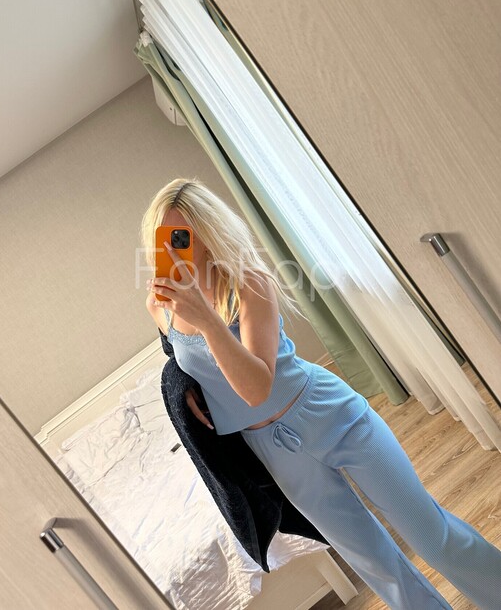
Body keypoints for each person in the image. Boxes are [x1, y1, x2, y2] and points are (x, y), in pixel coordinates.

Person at [141, 177, 501, 610]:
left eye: (183, 235)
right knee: (378, 567)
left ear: (208, 232)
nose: (173, 248)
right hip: (275, 451)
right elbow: (178, 356)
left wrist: (206, 319)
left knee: (431, 535)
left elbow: (257, 388)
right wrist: (183, 387)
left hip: (328, 413)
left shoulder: (249, 284)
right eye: (163, 238)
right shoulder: (160, 307)